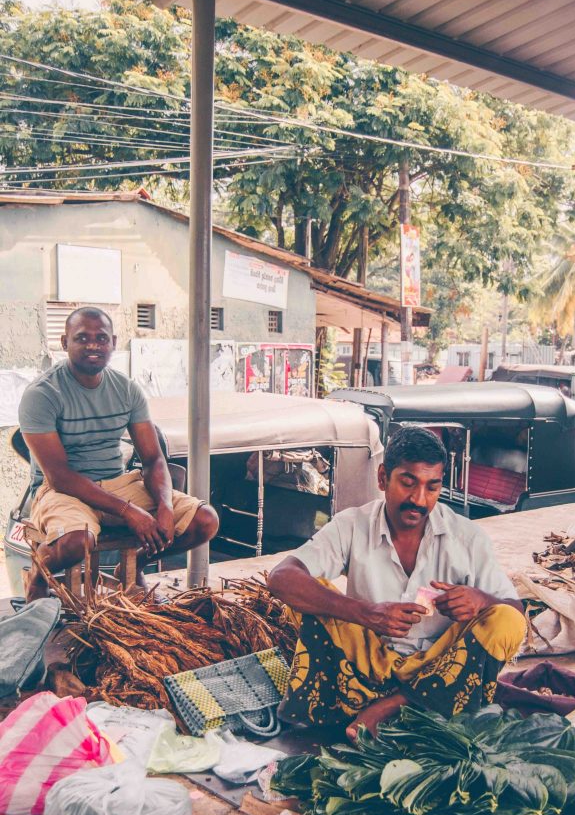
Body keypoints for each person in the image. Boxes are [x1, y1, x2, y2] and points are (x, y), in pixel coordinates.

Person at [268, 425, 526, 740]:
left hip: (440, 670)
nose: (419, 499)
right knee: (312, 592)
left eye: (432, 487)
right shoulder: (352, 525)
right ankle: (415, 708)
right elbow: (281, 578)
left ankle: (393, 705)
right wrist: (366, 613)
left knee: (506, 620)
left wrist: (480, 600)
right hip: (368, 664)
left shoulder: (468, 538)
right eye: (408, 483)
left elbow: (515, 611)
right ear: (382, 478)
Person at [19, 307, 219, 602]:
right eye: (82, 338)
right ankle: (37, 575)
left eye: (101, 339)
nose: (92, 346)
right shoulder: (43, 394)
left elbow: (152, 459)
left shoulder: (126, 390)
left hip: (116, 483)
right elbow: (59, 476)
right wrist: (128, 511)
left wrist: (164, 506)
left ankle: (138, 563)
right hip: (62, 490)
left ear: (112, 342)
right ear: (64, 343)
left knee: (205, 520)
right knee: (78, 542)